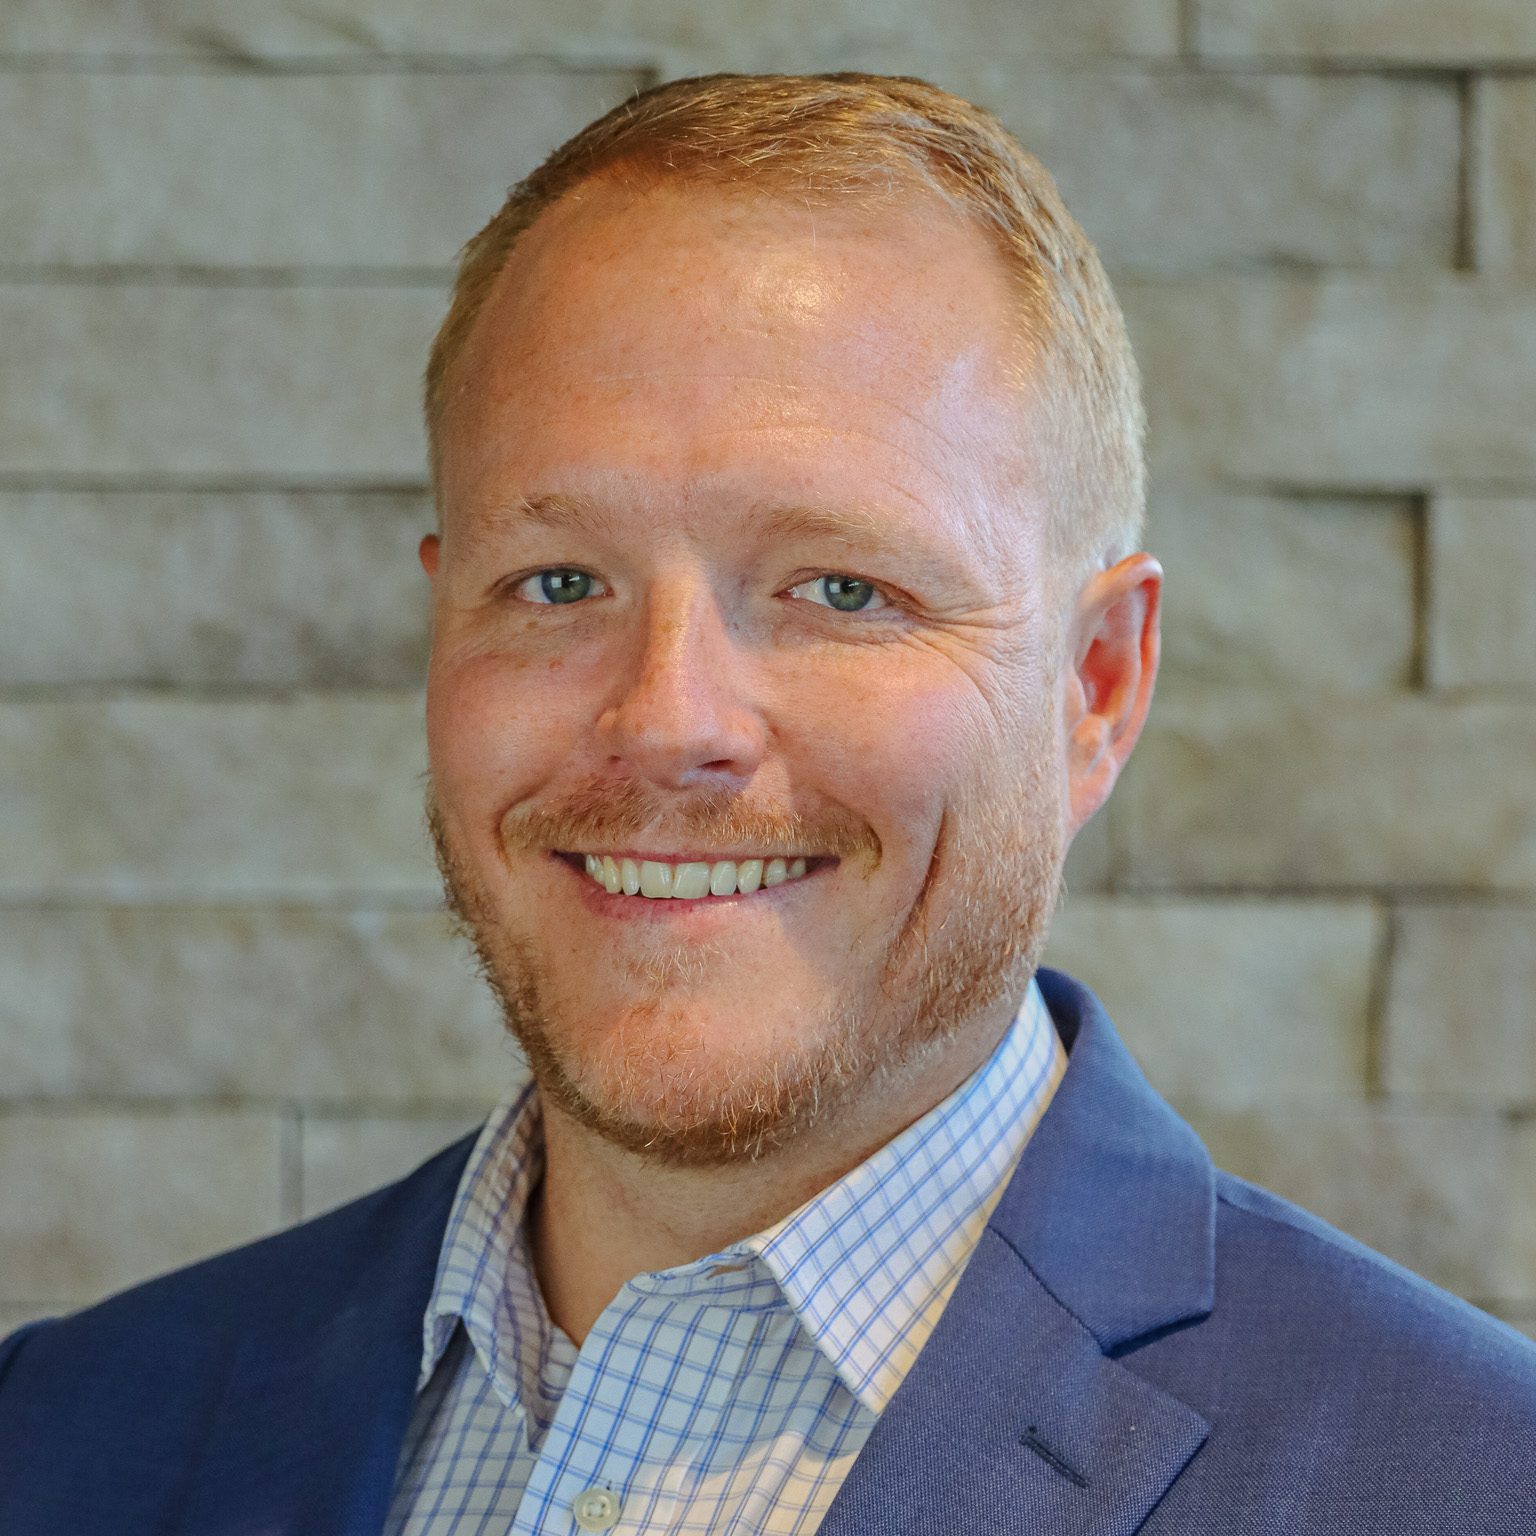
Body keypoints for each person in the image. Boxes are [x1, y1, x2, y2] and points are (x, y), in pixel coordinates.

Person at [1, 71, 1533, 1534]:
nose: (669, 722)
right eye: (560, 581)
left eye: (842, 589)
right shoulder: (58, 1436)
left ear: (1096, 686)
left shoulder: (1474, 1487)